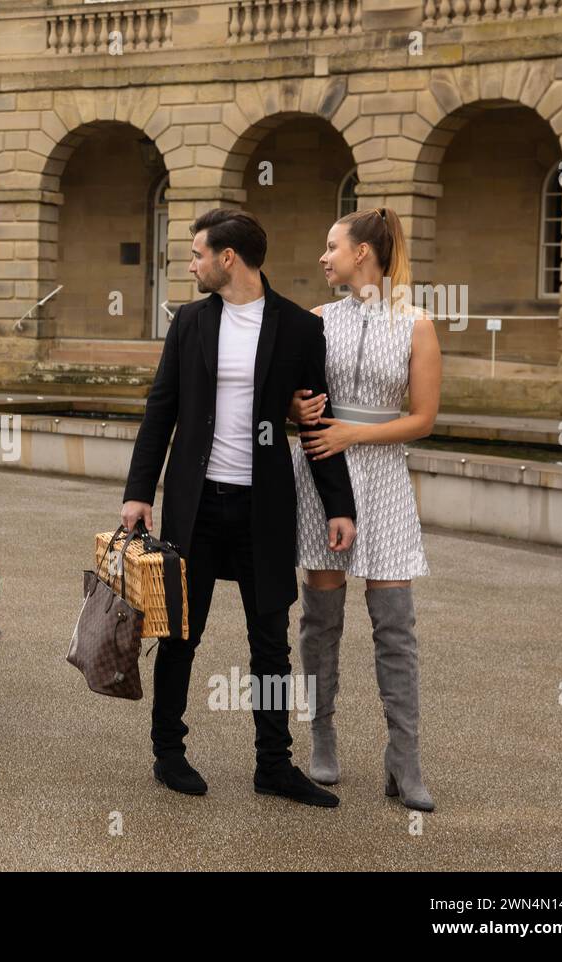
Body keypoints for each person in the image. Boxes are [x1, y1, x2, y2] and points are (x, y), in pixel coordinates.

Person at [121, 208, 357, 808]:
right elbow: (161, 410)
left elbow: (315, 419)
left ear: (229, 258)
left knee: (269, 642)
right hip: (195, 506)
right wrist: (137, 492)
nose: (191, 264)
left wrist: (339, 505)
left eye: (198, 253)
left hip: (264, 508)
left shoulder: (301, 329)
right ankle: (168, 752)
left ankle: (273, 764)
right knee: (180, 633)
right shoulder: (191, 323)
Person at [290, 207, 441, 812]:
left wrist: (353, 434)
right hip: (322, 476)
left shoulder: (417, 324)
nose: (323, 258)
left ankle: (404, 758)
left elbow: (423, 419)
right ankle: (322, 734)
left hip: (382, 477)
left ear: (363, 254)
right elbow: (293, 400)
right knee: (321, 620)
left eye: (332, 247)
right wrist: (299, 415)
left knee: (395, 625)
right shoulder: (316, 320)